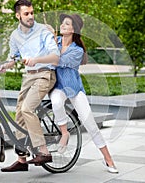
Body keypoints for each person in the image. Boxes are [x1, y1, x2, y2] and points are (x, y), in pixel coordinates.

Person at [49, 13, 119, 173]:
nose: (62, 26)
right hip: (58, 87)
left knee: (91, 125)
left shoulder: (77, 50)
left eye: (67, 24)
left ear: (74, 30)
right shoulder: (56, 41)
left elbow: (58, 61)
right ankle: (64, 133)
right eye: (62, 24)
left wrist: (52, 47)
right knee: (56, 102)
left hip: (74, 89)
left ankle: (108, 160)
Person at [0, 0, 60, 172]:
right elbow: (12, 59)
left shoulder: (43, 31)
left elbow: (55, 57)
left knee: (27, 109)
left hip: (45, 75)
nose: (30, 16)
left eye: (32, 13)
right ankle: (21, 159)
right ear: (18, 15)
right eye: (26, 13)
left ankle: (44, 151)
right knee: (19, 114)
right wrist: (4, 65)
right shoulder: (15, 35)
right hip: (29, 77)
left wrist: (37, 60)